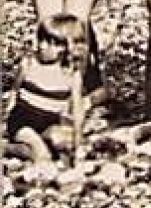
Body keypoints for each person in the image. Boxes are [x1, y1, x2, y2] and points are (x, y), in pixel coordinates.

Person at [3, 15, 88, 164]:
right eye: (41, 40)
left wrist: (77, 141)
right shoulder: (30, 64)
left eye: (51, 43)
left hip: (49, 122)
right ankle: (8, 148)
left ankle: (28, 150)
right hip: (22, 121)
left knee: (66, 146)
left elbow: (77, 110)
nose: (42, 46)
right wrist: (5, 118)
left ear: (67, 47)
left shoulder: (71, 74)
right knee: (42, 154)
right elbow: (15, 90)